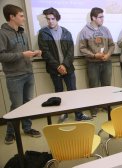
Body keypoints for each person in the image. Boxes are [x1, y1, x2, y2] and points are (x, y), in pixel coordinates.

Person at [38, 7, 92, 123]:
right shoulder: (43, 33)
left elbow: (70, 52)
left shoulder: (66, 32)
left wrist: (64, 65)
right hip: (54, 69)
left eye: (52, 18)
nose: (50, 21)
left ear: (57, 18)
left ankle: (79, 114)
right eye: (48, 19)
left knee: (73, 91)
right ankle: (63, 114)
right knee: (59, 91)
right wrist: (58, 66)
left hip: (68, 68)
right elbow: (45, 53)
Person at [0, 4, 42, 144]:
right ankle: (10, 133)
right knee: (16, 106)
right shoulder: (2, 33)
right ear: (12, 17)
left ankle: (27, 128)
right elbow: (2, 56)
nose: (24, 18)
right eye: (21, 16)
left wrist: (34, 53)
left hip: (28, 73)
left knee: (27, 104)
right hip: (14, 76)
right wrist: (22, 54)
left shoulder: (22, 32)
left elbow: (25, 53)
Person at [79, 7, 115, 117]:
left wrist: (108, 55)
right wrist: (94, 55)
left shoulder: (105, 30)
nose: (102, 19)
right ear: (93, 18)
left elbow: (112, 45)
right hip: (92, 63)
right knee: (94, 86)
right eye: (100, 17)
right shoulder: (84, 31)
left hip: (106, 62)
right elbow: (82, 49)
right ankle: (94, 108)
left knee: (107, 86)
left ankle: (106, 105)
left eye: (103, 16)